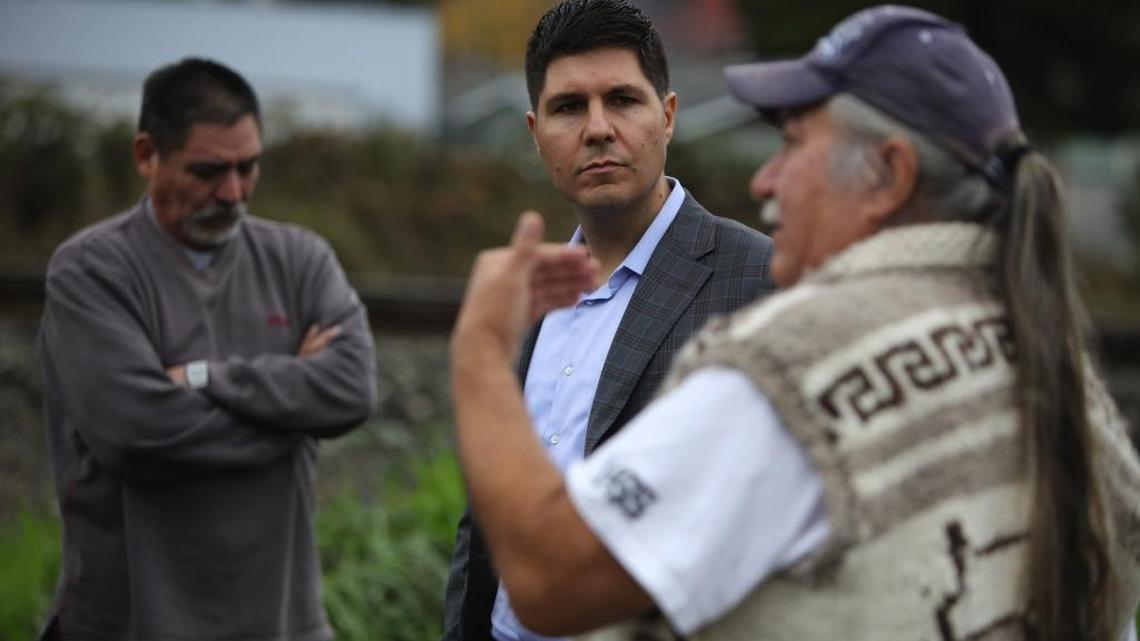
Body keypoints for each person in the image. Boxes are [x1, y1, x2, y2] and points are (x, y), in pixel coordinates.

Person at [449, 5, 1140, 641]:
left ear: (888, 174)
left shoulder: (791, 364)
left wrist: (479, 351)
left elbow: (549, 581)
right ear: (536, 131)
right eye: (569, 106)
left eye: (795, 143)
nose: (764, 180)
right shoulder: (1052, 362)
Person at [441, 1, 774, 640]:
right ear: (537, 133)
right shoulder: (522, 288)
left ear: (668, 116)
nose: (597, 128)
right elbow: (483, 515)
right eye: (570, 107)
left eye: (622, 100)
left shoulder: (756, 276)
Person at [38, 58, 377, 641]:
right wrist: (292, 411)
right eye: (208, 172)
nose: (233, 192)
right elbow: (133, 430)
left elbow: (349, 390)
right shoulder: (91, 271)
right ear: (147, 154)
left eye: (249, 168)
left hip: (283, 622)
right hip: (128, 622)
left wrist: (200, 378)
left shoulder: (299, 260)